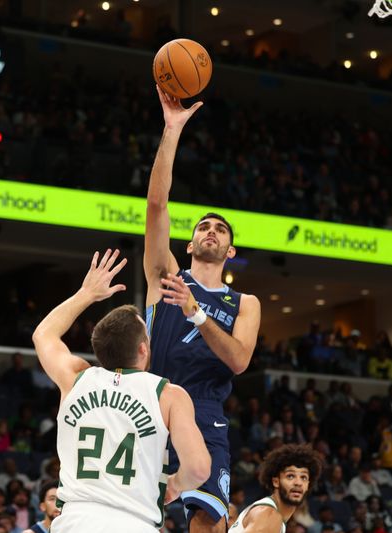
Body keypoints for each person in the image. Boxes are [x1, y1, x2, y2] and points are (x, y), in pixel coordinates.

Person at [144, 87, 261, 532]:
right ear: (190, 244)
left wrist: (196, 313)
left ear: (230, 251)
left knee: (210, 523)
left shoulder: (245, 303)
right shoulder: (167, 277)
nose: (212, 231)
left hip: (206, 412)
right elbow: (157, 206)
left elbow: (239, 360)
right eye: (203, 227)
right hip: (151, 404)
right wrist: (172, 130)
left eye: (221, 229)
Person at [31, 249, 210, 533]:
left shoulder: (76, 378)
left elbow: (43, 334)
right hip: (134, 523)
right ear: (142, 348)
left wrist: (86, 293)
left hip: (74, 520)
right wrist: (173, 486)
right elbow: (199, 468)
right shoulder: (168, 395)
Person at [228, 444, 322, 532]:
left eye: (303, 477)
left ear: (308, 485)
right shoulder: (269, 515)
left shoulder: (272, 515)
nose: (298, 483)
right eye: (290, 476)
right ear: (276, 482)